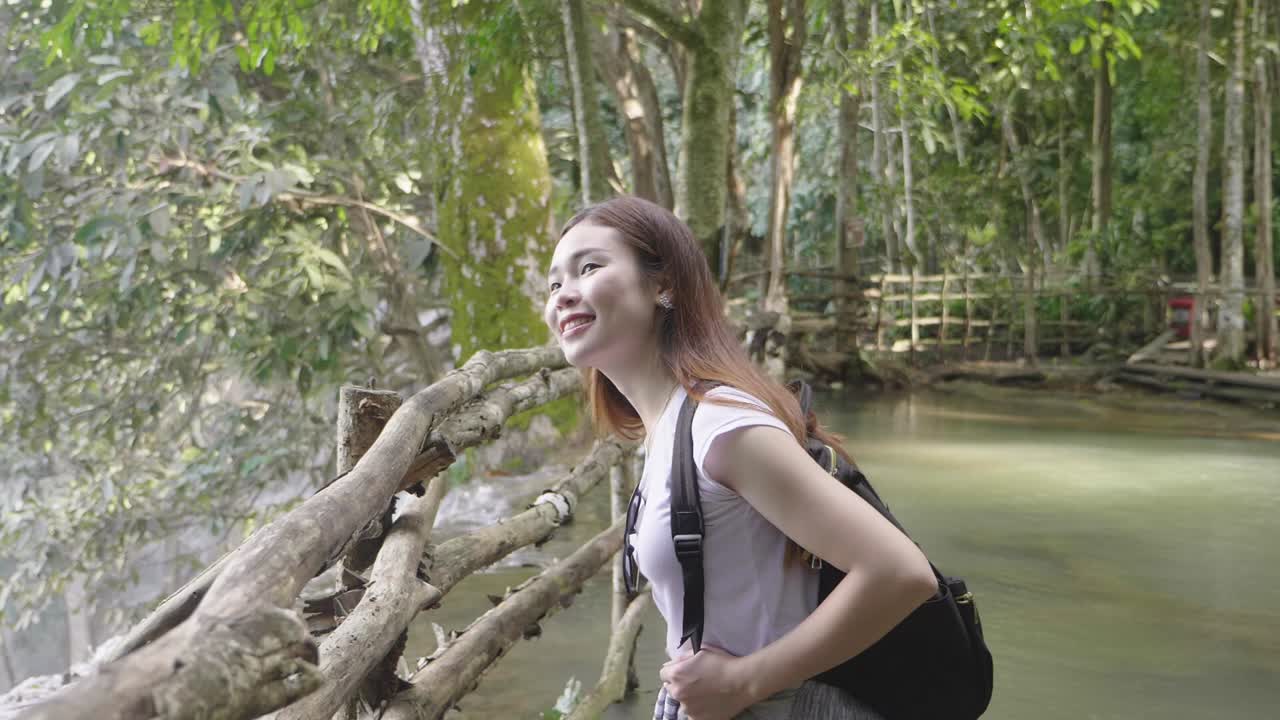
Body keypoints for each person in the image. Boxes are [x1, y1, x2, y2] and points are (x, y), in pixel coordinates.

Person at [542, 196, 937, 720]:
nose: (563, 295)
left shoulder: (720, 426)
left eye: (589, 267)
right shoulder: (669, 428)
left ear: (664, 285)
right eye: (553, 285)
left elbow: (901, 572)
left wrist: (744, 682)